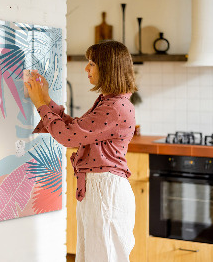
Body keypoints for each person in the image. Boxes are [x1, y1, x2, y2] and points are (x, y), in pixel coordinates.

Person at [25, 40, 137, 262]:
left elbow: (68, 136)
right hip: (99, 190)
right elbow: (76, 129)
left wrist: (40, 104)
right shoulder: (110, 102)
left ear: (108, 68)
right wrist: (46, 99)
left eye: (92, 63)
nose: (86, 68)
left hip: (105, 192)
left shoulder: (114, 107)